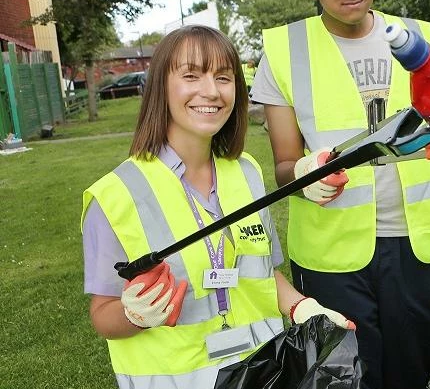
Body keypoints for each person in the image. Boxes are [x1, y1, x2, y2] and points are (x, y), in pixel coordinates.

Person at [249, 0, 430, 389]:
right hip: (331, 254)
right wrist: (307, 174)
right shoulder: (285, 51)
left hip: (410, 245)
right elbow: (285, 167)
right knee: (348, 375)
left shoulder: (415, 39)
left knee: (413, 370)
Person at [81, 25, 352, 389]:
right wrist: (135, 314)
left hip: (263, 373)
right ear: (161, 86)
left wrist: (303, 308)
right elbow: (102, 316)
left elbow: (261, 274)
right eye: (191, 75)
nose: (211, 91)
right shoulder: (115, 195)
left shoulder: (246, 172)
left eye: (223, 77)